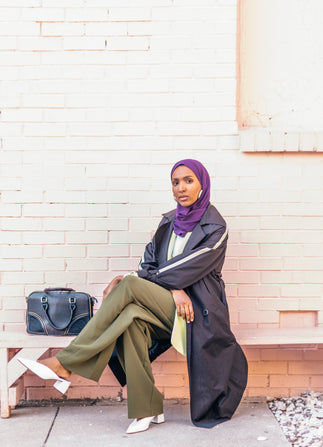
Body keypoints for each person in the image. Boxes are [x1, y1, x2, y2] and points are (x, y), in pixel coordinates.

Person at [18, 159, 248, 433]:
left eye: (188, 181)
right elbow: (148, 264)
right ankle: (147, 407)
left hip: (198, 314)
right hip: (170, 307)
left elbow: (187, 267)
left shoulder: (215, 227)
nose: (181, 188)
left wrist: (159, 282)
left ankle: (65, 363)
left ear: (202, 185)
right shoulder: (168, 223)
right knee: (131, 318)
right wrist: (174, 289)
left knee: (127, 285)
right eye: (175, 182)